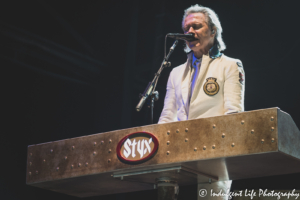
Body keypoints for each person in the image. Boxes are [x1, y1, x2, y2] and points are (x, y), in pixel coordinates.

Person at [158, 4, 245, 200]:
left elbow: (234, 114)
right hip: (178, 154)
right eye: (186, 29)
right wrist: (160, 155)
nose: (190, 32)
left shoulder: (230, 65)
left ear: (213, 30)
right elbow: (167, 116)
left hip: (213, 154)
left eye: (196, 26)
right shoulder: (176, 72)